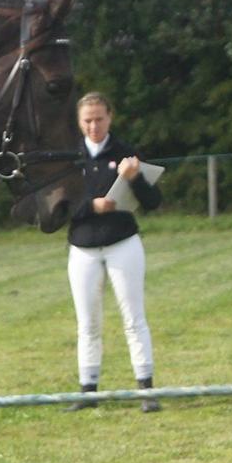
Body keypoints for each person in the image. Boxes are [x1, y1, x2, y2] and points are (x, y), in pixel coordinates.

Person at [66, 92, 163, 412]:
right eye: (87, 120)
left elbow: (152, 202)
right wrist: (91, 207)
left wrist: (135, 180)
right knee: (88, 322)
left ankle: (146, 389)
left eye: (99, 119)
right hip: (83, 248)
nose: (94, 126)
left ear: (110, 118)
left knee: (134, 317)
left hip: (123, 243)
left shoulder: (125, 152)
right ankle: (88, 390)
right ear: (79, 122)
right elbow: (56, 206)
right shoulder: (69, 156)